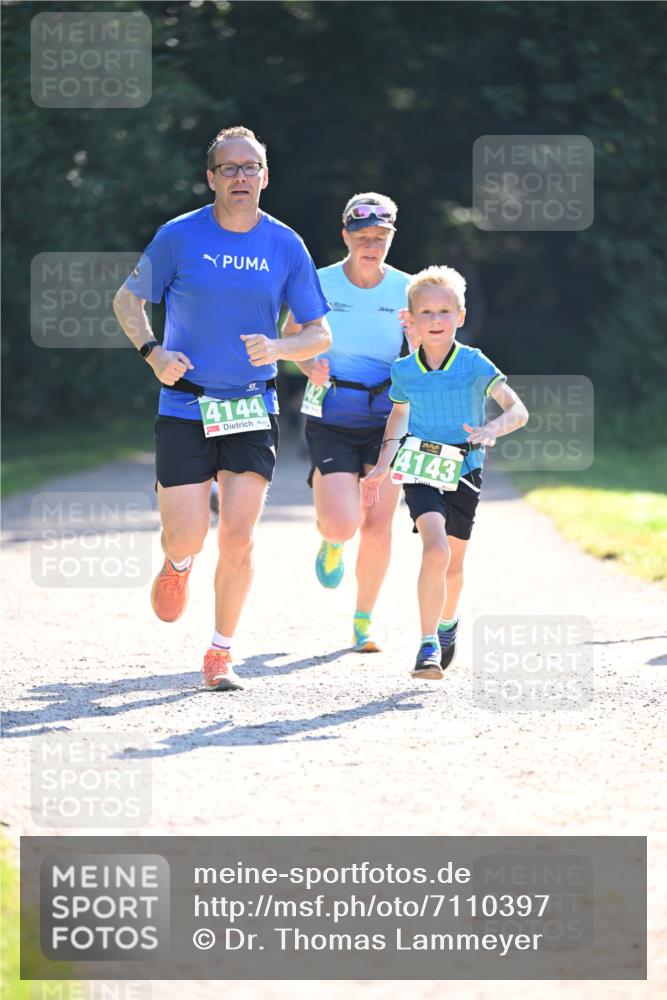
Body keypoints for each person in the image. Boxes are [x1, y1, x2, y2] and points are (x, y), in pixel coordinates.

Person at [113, 126, 331, 691]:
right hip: (186, 405)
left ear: (265, 176)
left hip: (251, 407)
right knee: (186, 536)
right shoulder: (178, 237)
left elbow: (319, 334)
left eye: (250, 167)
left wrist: (281, 348)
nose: (241, 177)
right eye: (229, 168)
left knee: (238, 536)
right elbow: (127, 300)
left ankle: (220, 653)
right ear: (211, 178)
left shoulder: (286, 244)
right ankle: (178, 563)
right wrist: (152, 352)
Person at [361, 265, 529, 680]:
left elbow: (518, 410)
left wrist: (492, 428)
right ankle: (427, 645)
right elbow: (398, 417)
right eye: (426, 313)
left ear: (461, 316)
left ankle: (448, 621)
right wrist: (383, 465)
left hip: (465, 469)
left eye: (444, 312)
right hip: (419, 467)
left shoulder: (473, 363)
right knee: (434, 549)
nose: (435, 321)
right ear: (412, 319)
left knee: (453, 564)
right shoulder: (403, 371)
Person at [282, 193, 411, 652]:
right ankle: (332, 538)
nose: (371, 246)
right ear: (346, 237)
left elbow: (429, 357)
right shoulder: (319, 282)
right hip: (332, 410)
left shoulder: (408, 290)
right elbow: (289, 338)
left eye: (380, 237)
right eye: (362, 237)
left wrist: (416, 343)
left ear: (391, 237)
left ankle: (364, 620)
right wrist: (307, 363)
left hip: (388, 419)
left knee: (378, 524)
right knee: (342, 524)